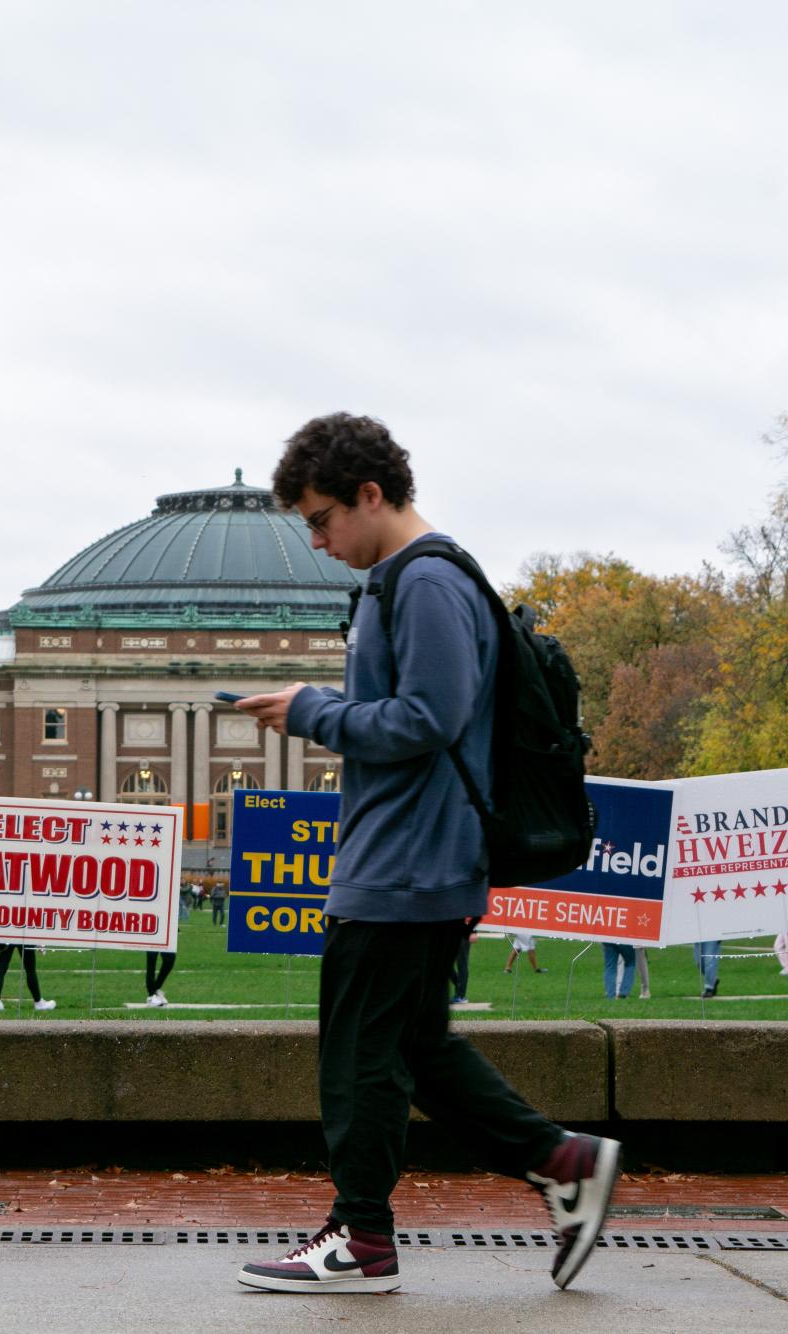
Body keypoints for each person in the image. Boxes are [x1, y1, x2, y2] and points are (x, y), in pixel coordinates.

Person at [232, 413, 619, 1295]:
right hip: (411, 855)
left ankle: (360, 1237)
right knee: (414, 1046)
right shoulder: (396, 583)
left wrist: (311, 712)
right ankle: (563, 1161)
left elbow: (428, 718)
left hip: (409, 863)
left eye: (322, 518)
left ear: (371, 495)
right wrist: (323, 703)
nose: (318, 540)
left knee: (360, 1053)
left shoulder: (427, 581)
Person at [0, 944, 55, 1012]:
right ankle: (39, 1003)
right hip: (24, 936)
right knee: (30, 970)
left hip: (8, 937)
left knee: (1, 969)